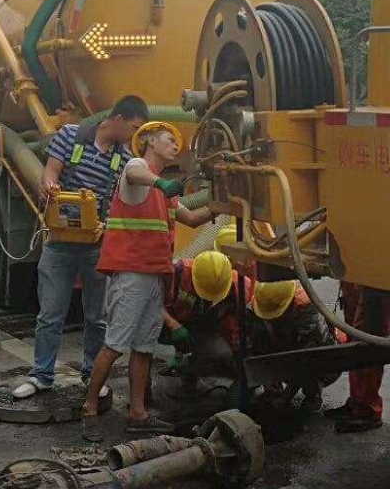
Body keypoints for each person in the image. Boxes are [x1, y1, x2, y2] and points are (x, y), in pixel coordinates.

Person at [81, 121, 214, 441]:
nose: (175, 145)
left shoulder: (163, 193)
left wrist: (226, 204)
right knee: (115, 344)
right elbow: (135, 173)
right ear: (150, 141)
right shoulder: (137, 169)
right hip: (131, 273)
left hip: (153, 275)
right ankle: (88, 407)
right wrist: (161, 184)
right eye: (169, 139)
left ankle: (137, 413)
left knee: (143, 347)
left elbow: (194, 218)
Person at [13, 96, 149, 400]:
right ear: (118, 118)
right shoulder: (70, 136)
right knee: (50, 313)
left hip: (96, 246)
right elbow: (50, 172)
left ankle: (92, 374)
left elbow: (121, 201)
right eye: (134, 127)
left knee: (97, 317)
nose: (133, 135)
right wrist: (49, 186)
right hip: (60, 242)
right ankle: (41, 375)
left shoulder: (125, 159)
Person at [161, 250, 253, 385]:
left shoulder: (239, 287)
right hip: (172, 322)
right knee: (144, 332)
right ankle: (144, 385)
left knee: (220, 353)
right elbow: (150, 302)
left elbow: (236, 324)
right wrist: (172, 324)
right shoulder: (177, 272)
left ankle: (192, 366)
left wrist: (238, 354)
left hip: (206, 326)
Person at [248, 280, 338, 413]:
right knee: (257, 334)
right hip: (284, 341)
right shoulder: (262, 300)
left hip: (318, 357)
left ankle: (313, 394)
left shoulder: (307, 310)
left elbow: (305, 357)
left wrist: (286, 397)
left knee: (312, 361)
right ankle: (273, 389)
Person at [324, 282, 390, 432]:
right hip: (356, 273)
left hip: (376, 278)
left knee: (367, 339)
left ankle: (368, 409)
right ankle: (357, 402)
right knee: (354, 335)